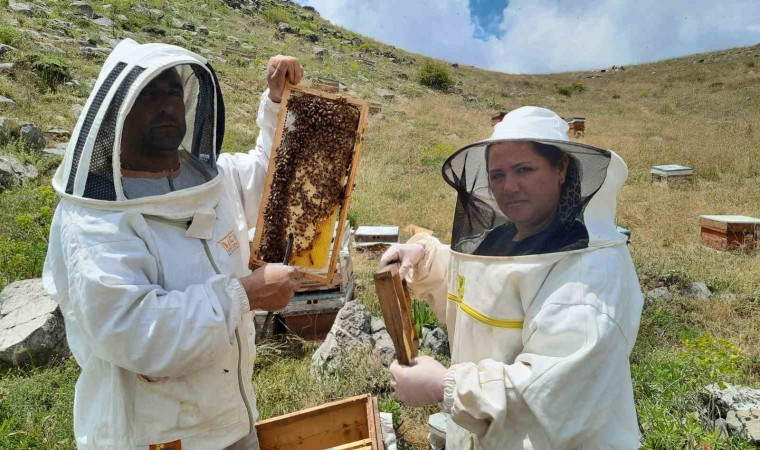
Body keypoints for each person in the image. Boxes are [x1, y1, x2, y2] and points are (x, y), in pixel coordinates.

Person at [42, 39, 304, 449]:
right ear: (119, 110)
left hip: (232, 421)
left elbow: (272, 178)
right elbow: (139, 333)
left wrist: (276, 102)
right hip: (152, 437)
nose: (165, 105)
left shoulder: (209, 181)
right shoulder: (95, 219)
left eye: (172, 92)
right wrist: (245, 295)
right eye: (148, 95)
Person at [380, 106, 644, 449]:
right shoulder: (505, 239)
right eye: (498, 174)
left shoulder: (587, 275)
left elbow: (552, 392)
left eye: (524, 169)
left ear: (561, 168)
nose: (509, 186)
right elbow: (485, 294)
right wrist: (425, 257)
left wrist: (444, 386)